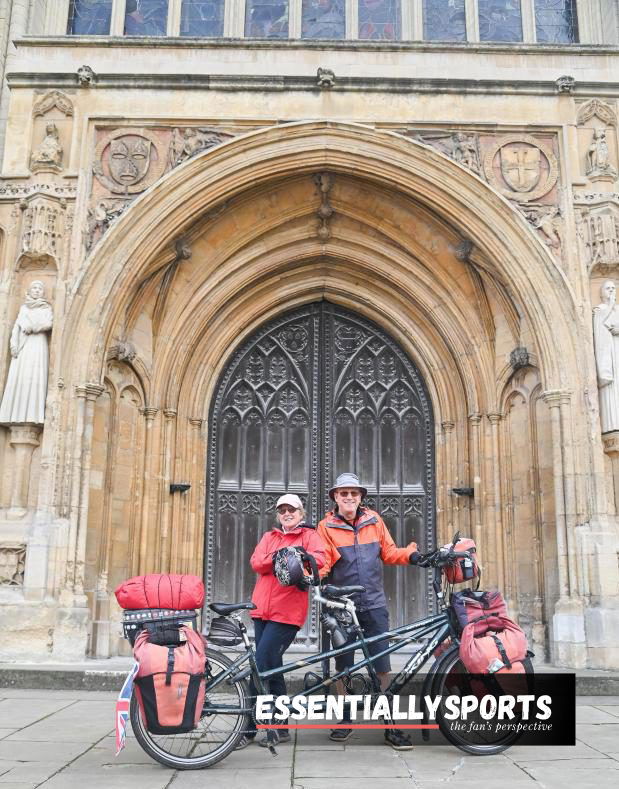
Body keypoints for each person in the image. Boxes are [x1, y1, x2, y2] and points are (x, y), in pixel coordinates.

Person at [317, 472, 423, 750]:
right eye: (343, 493)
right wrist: (310, 574)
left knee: (382, 665)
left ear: (361, 496)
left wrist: (412, 555)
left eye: (354, 493)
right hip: (341, 606)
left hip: (373, 603)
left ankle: (388, 724)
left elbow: (389, 552)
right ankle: (345, 719)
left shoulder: (374, 520)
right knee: (343, 665)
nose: (349, 497)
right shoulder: (326, 526)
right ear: (335, 497)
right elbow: (323, 561)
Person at [237, 493, 325, 748]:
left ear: (301, 513)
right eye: (282, 510)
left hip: (287, 613)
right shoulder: (270, 537)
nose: (287, 514)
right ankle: (281, 727)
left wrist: (297, 556)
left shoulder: (309, 536)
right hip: (262, 610)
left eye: (292, 510)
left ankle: (248, 727)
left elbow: (319, 560)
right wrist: (280, 556)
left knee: (260, 664)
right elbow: (257, 563)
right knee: (272, 666)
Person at [0, 281, 53, 425]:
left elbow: (49, 323)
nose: (37, 290)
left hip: (37, 343)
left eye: (40, 288)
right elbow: (16, 328)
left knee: (34, 375)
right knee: (21, 375)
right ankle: (15, 414)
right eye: (34, 288)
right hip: (24, 345)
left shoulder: (46, 308)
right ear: (29, 291)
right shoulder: (24, 308)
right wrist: (14, 345)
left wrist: (34, 327)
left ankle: (32, 415)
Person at [593, 279, 619, 433]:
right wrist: (610, 305)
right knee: (611, 389)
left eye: (613, 288)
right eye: (608, 288)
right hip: (609, 355)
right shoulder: (600, 309)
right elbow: (600, 324)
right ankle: (613, 426)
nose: (611, 291)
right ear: (601, 293)